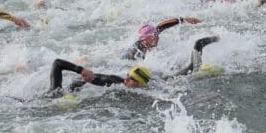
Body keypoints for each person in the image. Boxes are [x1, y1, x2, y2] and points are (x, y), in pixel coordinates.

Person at [48, 36, 218, 95]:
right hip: (68, 92)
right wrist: (82, 72)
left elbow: (185, 72)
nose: (126, 80)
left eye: (131, 79)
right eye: (128, 76)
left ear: (141, 84)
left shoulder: (155, 85)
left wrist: (199, 45)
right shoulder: (116, 82)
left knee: (187, 72)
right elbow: (57, 63)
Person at [123, 16, 201, 61]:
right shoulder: (135, 51)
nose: (158, 37)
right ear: (146, 38)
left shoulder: (148, 39)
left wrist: (184, 20)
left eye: (157, 34)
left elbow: (161, 26)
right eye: (155, 35)